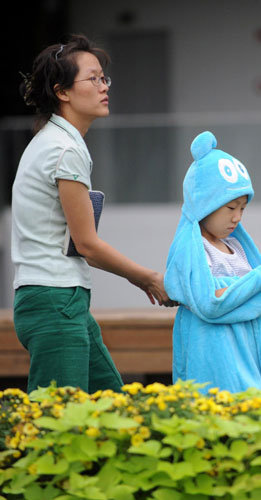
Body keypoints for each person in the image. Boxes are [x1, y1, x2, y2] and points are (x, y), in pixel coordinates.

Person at [12, 34, 175, 394]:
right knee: (55, 427)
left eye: (105, 78)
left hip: (62, 300)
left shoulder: (56, 142)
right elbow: (86, 243)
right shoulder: (63, 149)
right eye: (93, 79)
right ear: (62, 92)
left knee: (111, 405)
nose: (104, 87)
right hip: (54, 300)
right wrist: (147, 278)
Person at [164, 131, 261, 396]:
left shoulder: (237, 246)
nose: (237, 217)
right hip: (212, 353)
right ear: (205, 203)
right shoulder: (192, 249)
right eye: (230, 207)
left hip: (249, 350)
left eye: (243, 208)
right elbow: (209, 301)